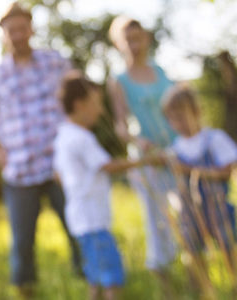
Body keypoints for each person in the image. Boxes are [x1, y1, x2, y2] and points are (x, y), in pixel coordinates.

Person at [0, 2, 82, 293]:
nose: (17, 35)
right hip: (19, 170)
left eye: (22, 28)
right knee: (22, 241)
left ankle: (92, 285)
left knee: (78, 228)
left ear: (30, 29)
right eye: (11, 30)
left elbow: (79, 96)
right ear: (3, 34)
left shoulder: (55, 62)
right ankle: (25, 291)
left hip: (60, 166)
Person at [53, 73, 163, 300]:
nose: (101, 110)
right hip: (94, 222)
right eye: (97, 103)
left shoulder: (62, 137)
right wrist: (146, 161)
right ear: (79, 105)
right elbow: (108, 166)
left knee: (96, 278)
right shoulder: (82, 138)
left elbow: (58, 175)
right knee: (112, 278)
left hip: (79, 220)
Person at [106, 16, 178, 292]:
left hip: (174, 152)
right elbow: (120, 125)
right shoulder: (118, 80)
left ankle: (197, 277)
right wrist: (139, 140)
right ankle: (167, 286)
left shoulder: (159, 70)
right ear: (119, 44)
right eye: (128, 40)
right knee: (157, 222)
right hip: (147, 159)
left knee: (185, 214)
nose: (135, 45)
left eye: (138, 38)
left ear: (146, 38)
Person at [161, 85, 237, 295]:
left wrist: (190, 170)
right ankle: (203, 290)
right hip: (189, 211)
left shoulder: (214, 138)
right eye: (172, 119)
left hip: (217, 207)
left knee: (227, 247)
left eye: (181, 117)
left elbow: (228, 171)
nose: (177, 124)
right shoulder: (176, 147)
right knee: (193, 250)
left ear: (197, 112)